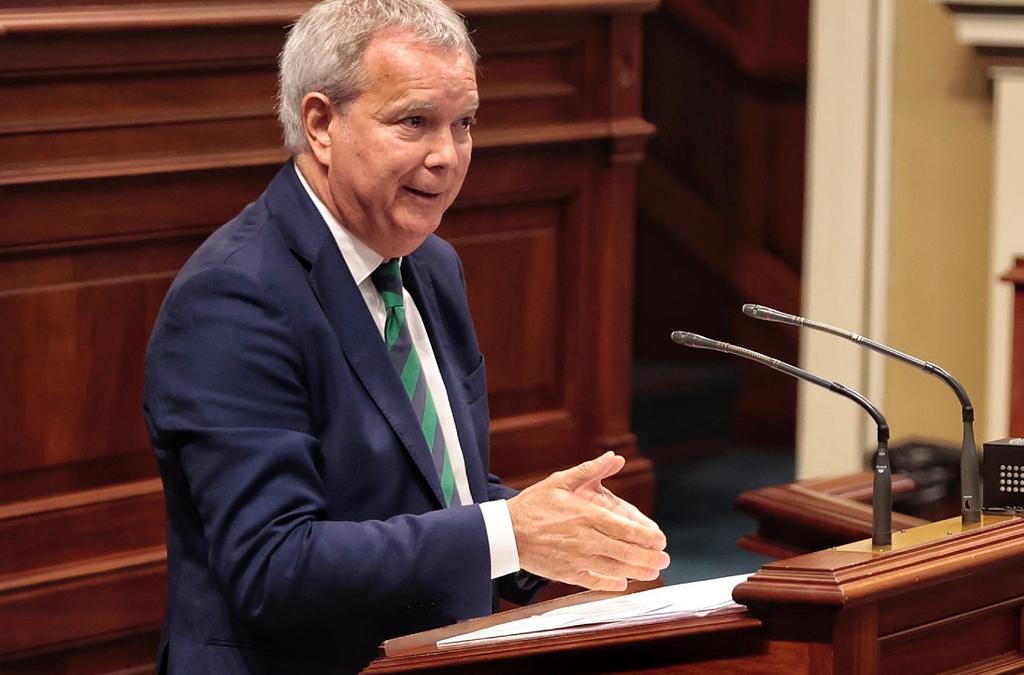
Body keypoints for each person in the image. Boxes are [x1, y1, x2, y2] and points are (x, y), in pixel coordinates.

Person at [142, 1, 669, 672]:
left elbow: (435, 490)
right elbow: (273, 564)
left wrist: (556, 527)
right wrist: (508, 531)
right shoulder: (234, 298)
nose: (447, 155)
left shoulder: (430, 266)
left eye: (465, 123)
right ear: (321, 124)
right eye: (414, 121)